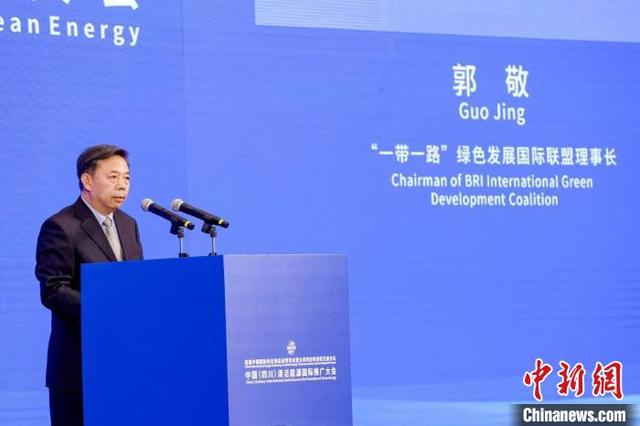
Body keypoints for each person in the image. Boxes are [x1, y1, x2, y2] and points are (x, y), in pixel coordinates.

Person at [35, 145, 144, 426]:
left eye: (127, 178)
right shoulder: (61, 226)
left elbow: (135, 284)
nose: (122, 185)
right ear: (87, 180)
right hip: (79, 366)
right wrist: (104, 311)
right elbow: (54, 290)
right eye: (113, 177)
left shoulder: (128, 225)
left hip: (125, 362)